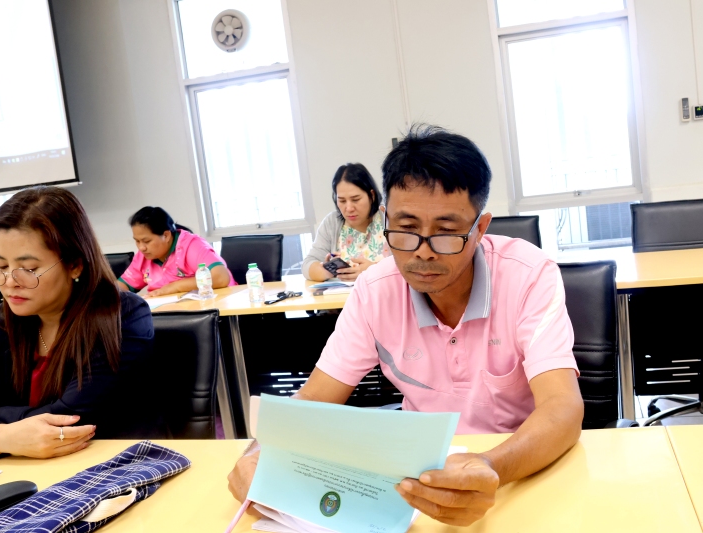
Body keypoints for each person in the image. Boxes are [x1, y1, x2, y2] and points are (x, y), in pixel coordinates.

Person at [228, 126, 584, 526]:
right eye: (407, 228)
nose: (423, 252)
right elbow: (313, 400)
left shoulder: (529, 276)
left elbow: (563, 406)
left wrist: (490, 465)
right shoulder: (375, 290)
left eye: (446, 232)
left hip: (521, 469)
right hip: (417, 483)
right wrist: (257, 455)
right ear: (385, 219)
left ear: (480, 228)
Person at [0, 187, 161, 459]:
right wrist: (4, 437)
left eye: (29, 269)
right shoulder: (4, 320)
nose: (10, 282)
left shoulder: (121, 316)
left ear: (74, 264)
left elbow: (70, 418)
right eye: (1, 267)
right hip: (23, 469)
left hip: (109, 466)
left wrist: (3, 433)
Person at [117, 206, 236, 297]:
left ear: (166, 235)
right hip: (169, 314)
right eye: (137, 241)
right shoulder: (144, 256)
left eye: (146, 241)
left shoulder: (192, 245)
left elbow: (221, 278)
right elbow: (122, 285)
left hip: (217, 309)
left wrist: (175, 287)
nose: (141, 247)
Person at [302, 163, 389, 282]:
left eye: (356, 200)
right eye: (342, 201)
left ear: (372, 196)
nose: (349, 208)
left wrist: (374, 271)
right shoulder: (332, 222)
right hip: (342, 293)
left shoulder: (388, 219)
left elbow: (405, 267)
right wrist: (326, 271)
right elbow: (308, 264)